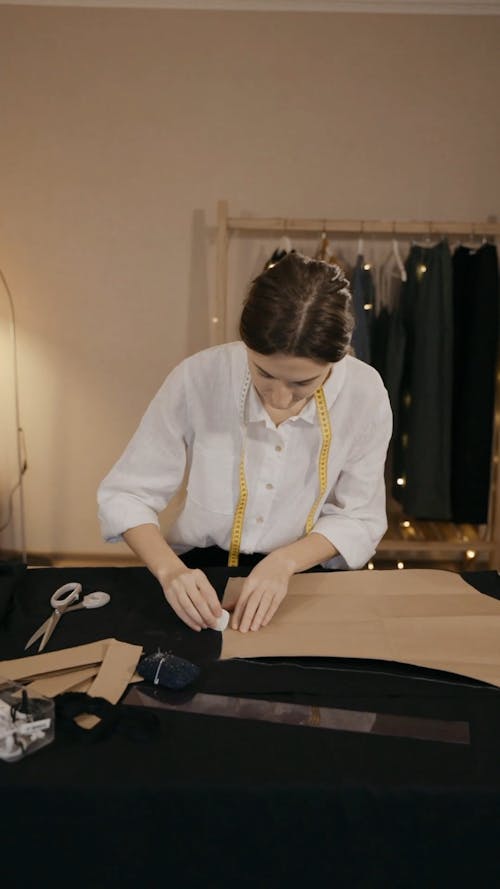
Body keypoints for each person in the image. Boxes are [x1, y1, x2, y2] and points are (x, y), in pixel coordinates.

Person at [98, 252, 392, 634]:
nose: (280, 399)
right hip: (201, 571)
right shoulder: (199, 377)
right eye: (264, 373)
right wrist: (171, 571)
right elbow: (127, 495)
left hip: (307, 571)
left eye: (303, 383)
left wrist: (284, 563)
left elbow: (360, 516)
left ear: (337, 360)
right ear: (245, 344)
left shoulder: (365, 393)